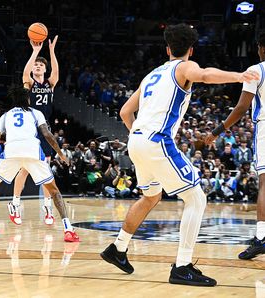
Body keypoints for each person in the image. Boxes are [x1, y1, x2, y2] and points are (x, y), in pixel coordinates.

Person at [100, 23, 259, 286]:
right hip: (156, 141)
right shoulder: (184, 67)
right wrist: (239, 76)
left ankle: (118, 248)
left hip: (136, 140)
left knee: (151, 196)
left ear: (167, 48)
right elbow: (206, 75)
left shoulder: (151, 75)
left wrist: (139, 136)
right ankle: (182, 266)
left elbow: (125, 113)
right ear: (190, 49)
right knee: (196, 198)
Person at [0, 86, 79, 242]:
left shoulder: (6, 115)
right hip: (33, 151)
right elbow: (48, 135)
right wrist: (61, 154)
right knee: (54, 191)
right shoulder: (36, 113)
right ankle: (68, 229)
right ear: (28, 100)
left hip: (12, 152)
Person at [205, 31, 265, 260]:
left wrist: (217, 131)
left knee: (264, 183)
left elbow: (240, 108)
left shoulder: (257, 70)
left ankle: (262, 237)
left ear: (261, 47)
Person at [10, 36, 59, 226]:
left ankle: (48, 208)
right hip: (30, 131)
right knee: (24, 169)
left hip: (45, 130)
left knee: (45, 170)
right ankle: (15, 203)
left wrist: (52, 51)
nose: (38, 66)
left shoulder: (50, 83)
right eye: (36, 65)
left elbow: (56, 71)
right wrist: (35, 51)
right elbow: (25, 73)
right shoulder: (29, 84)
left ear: (44, 70)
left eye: (40, 65)